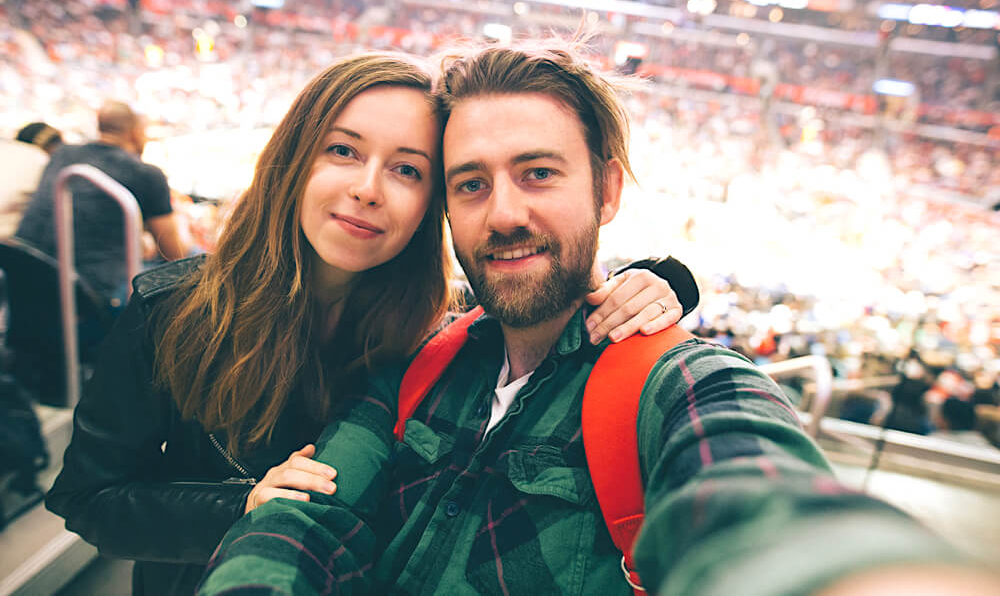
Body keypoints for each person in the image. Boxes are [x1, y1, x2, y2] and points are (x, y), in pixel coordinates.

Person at [198, 40, 997, 596]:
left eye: (538, 172)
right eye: (470, 184)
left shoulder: (676, 381)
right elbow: (311, 519)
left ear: (607, 191)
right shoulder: (421, 361)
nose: (503, 213)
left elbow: (753, 493)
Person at [45, 52, 695, 596]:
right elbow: (88, 497)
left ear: (433, 202)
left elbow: (532, 275)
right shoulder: (174, 311)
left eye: (407, 169)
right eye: (343, 151)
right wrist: (239, 504)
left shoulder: (427, 333)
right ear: (296, 158)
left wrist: (663, 279)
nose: (368, 188)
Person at [15, 101, 187, 306]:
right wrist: (182, 220)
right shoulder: (146, 173)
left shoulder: (63, 154)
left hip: (26, 274)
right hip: (89, 295)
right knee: (193, 261)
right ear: (135, 133)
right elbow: (175, 254)